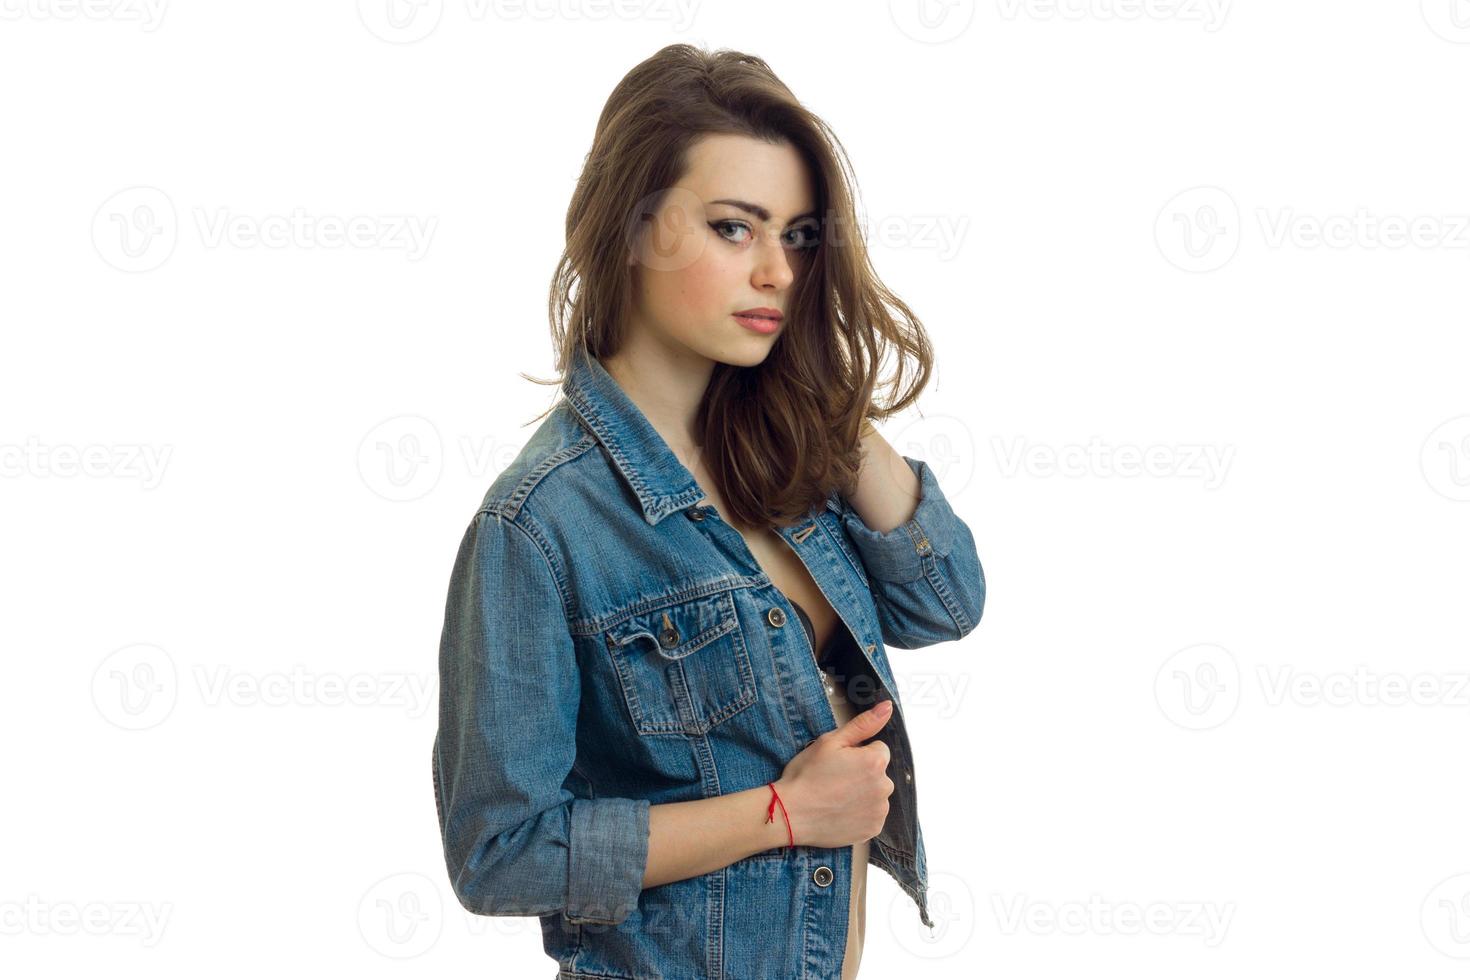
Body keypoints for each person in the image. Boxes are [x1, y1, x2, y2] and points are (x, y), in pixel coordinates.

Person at [432, 42, 986, 980]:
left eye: (799, 237)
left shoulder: (787, 459)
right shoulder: (537, 525)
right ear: (631, 229)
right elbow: (499, 852)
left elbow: (948, 601)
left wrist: (830, 408)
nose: (778, 271)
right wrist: (785, 814)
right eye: (736, 228)